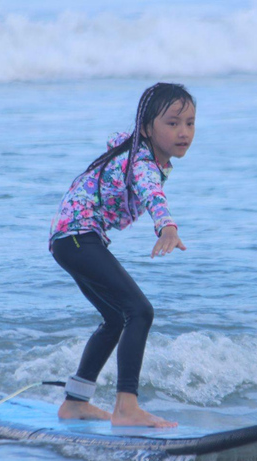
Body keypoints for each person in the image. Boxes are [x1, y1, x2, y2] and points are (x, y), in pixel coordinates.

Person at [49, 83, 196, 428]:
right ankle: (126, 407)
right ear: (147, 128)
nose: (183, 132)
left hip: (70, 238)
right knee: (140, 311)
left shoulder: (138, 150)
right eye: (173, 123)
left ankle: (75, 402)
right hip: (78, 237)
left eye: (189, 123)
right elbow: (151, 192)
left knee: (117, 318)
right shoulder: (142, 160)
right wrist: (167, 227)